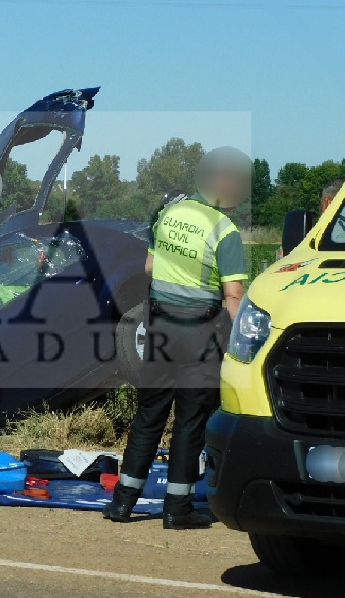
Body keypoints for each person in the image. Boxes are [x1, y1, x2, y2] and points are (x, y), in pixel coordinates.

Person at [103, 146, 250, 531]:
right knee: (190, 422)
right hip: (201, 334)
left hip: (159, 327)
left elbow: (150, 267)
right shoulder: (225, 231)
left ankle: (122, 502)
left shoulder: (168, 213)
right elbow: (233, 295)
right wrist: (244, 344)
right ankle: (177, 509)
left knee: (149, 414)